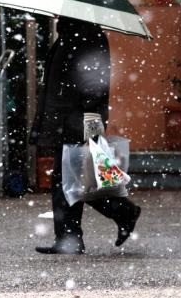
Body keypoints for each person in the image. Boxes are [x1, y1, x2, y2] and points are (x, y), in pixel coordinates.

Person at [29, 16, 141, 254]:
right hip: (67, 119)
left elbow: (93, 85)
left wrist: (85, 120)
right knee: (69, 180)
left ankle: (121, 213)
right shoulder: (70, 34)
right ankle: (70, 237)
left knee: (78, 180)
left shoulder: (86, 36)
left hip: (78, 120)